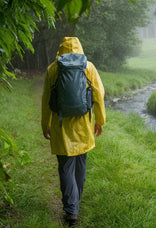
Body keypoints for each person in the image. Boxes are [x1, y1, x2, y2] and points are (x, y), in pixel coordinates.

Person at [41, 37, 106, 226]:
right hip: (83, 127)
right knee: (80, 166)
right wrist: (100, 121)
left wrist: (45, 124)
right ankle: (74, 204)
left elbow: (46, 100)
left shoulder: (53, 69)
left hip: (61, 128)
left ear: (60, 50)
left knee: (65, 168)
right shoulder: (89, 67)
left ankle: (71, 210)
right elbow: (98, 95)